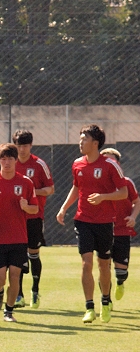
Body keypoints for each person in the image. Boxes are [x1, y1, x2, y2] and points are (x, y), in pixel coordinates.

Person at [56, 124, 128, 324]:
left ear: (95, 143)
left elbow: (123, 192)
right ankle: (89, 307)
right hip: (83, 220)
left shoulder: (110, 165)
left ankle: (106, 301)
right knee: (86, 263)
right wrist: (63, 208)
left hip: (105, 222)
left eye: (84, 139)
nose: (80, 142)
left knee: (103, 264)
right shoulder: (77, 164)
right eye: (80, 138)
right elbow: (76, 188)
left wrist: (103, 197)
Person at [0, 143, 38, 322]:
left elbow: (35, 209)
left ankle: (9, 312)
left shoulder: (26, 182)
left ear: (16, 160)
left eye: (10, 158)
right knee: (0, 278)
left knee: (15, 275)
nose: (7, 162)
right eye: (3, 159)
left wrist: (27, 207)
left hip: (19, 238)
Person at [12, 129, 54, 308]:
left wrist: (31, 192)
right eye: (19, 146)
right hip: (15, 218)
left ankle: (35, 291)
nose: (22, 150)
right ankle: (18, 294)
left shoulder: (38, 164)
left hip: (34, 216)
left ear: (31, 146)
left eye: (25, 146)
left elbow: (50, 189)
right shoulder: (10, 163)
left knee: (33, 254)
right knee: (18, 255)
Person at [99, 148, 140, 303]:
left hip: (122, 230)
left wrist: (133, 216)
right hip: (103, 229)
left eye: (112, 161)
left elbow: (137, 202)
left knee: (121, 272)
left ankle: (120, 282)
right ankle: (106, 299)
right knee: (104, 267)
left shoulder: (127, 183)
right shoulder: (98, 184)